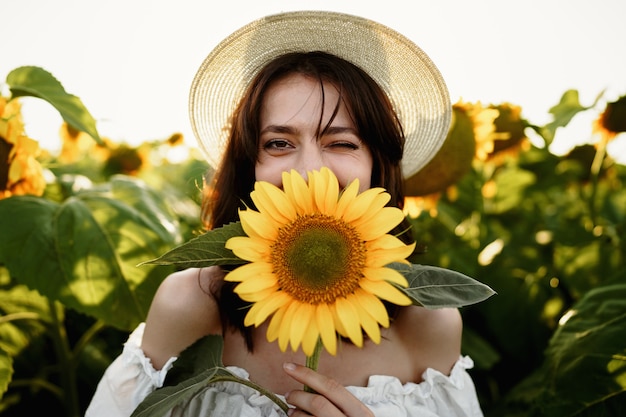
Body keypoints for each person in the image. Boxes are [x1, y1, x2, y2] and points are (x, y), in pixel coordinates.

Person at [86, 10, 484, 417]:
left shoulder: (428, 325)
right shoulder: (190, 305)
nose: (309, 171)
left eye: (342, 143)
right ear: (250, 165)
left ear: (376, 165)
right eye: (278, 143)